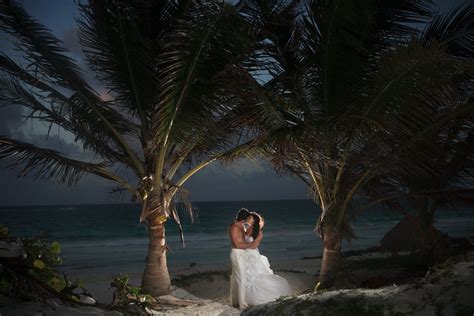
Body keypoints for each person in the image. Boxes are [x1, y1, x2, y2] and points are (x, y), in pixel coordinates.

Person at [242, 212, 292, 306]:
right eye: (259, 225)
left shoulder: (248, 231)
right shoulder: (247, 230)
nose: (260, 228)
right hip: (249, 255)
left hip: (251, 254)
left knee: (262, 264)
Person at [228, 208, 262, 308]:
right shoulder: (234, 227)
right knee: (242, 279)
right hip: (237, 253)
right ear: (244, 218)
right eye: (248, 218)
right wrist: (250, 244)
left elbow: (243, 240)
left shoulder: (241, 226)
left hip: (242, 253)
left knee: (237, 279)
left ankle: (235, 302)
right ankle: (242, 304)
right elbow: (236, 244)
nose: (248, 220)